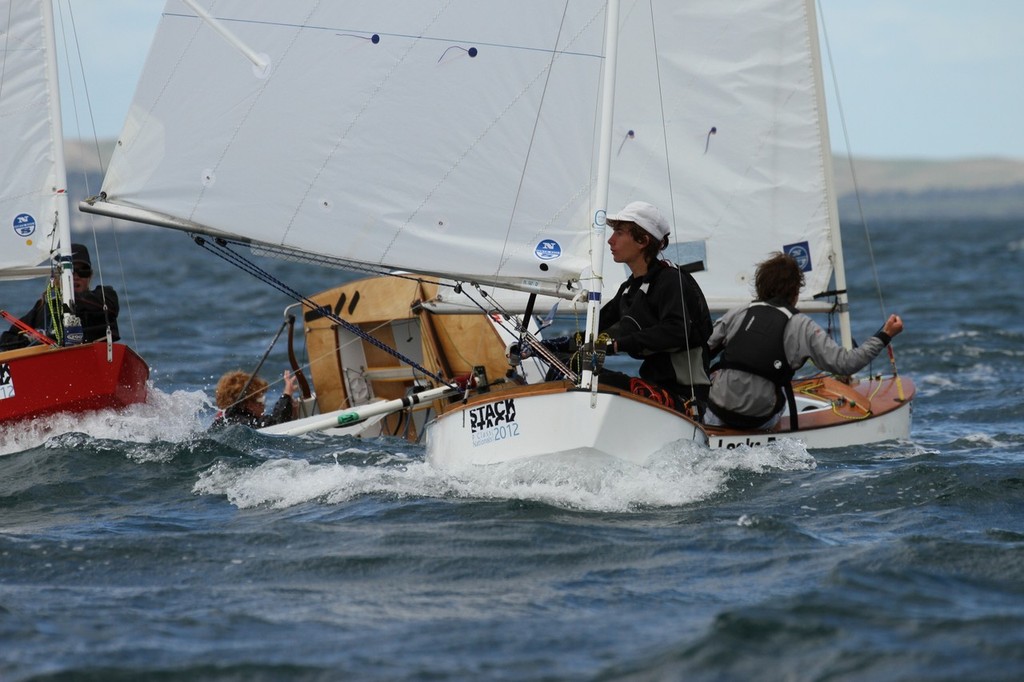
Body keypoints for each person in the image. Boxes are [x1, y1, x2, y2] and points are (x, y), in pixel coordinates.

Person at [705, 251, 904, 430]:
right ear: (795, 292)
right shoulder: (802, 325)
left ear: (760, 286)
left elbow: (702, 349)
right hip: (760, 419)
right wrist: (885, 334)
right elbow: (846, 364)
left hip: (718, 411)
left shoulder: (738, 313)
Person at [593, 200, 713, 414]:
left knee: (598, 382)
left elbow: (678, 329)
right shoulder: (630, 288)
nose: (610, 241)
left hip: (684, 400)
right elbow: (596, 327)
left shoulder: (670, 280)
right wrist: (556, 345)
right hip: (654, 390)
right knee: (571, 371)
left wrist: (618, 345)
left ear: (642, 240)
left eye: (619, 233)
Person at [0, 243, 119, 350]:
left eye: (83, 271)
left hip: (94, 359)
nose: (76, 276)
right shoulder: (43, 308)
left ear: (90, 275)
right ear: (58, 275)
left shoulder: (104, 297)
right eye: (71, 271)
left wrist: (65, 298)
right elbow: (6, 339)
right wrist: (29, 339)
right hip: (50, 364)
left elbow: (111, 307)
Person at [212, 369, 299, 429]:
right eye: (261, 399)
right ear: (248, 404)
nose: (263, 404)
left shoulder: (224, 420)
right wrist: (287, 395)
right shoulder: (242, 423)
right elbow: (276, 423)